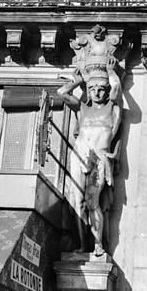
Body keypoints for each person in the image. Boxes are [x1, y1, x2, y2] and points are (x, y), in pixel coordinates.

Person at [58, 57, 122, 256]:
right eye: (92, 88)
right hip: (80, 154)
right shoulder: (82, 109)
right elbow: (62, 93)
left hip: (98, 159)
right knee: (77, 201)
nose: (96, 92)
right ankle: (82, 244)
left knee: (93, 202)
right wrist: (77, 81)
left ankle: (97, 244)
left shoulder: (112, 108)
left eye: (101, 88)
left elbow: (118, 88)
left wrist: (111, 72)